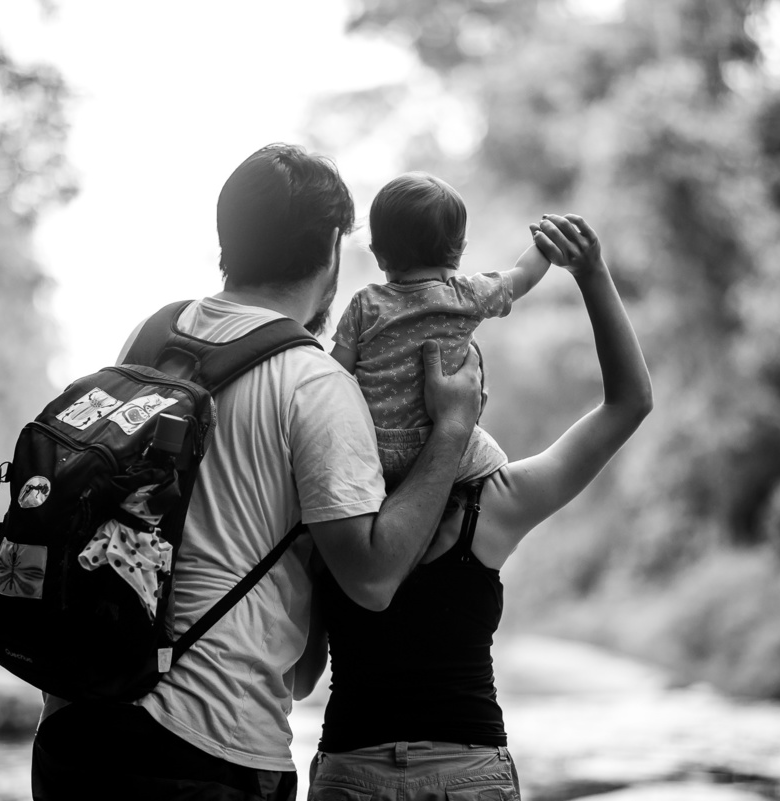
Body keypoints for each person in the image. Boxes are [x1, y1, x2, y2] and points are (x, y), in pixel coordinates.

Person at [29, 143, 484, 801]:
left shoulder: (153, 336)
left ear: (229, 235)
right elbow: (374, 576)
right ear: (331, 247)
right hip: (207, 743)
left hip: (75, 727)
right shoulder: (315, 383)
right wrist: (450, 435)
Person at [305, 213, 653, 800]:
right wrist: (590, 273)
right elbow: (628, 404)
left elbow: (303, 676)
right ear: (472, 395)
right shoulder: (496, 504)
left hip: (350, 769)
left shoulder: (332, 509)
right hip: (467, 772)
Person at [331, 172, 551, 490]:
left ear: (378, 254)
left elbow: (336, 372)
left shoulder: (366, 304)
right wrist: (546, 245)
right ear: (459, 251)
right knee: (498, 470)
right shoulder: (466, 296)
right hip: (436, 443)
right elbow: (524, 277)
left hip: (372, 447)